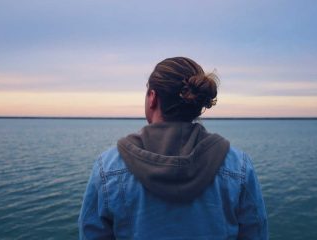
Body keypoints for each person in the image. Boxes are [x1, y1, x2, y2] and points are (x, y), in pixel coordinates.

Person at [78, 57, 268, 239]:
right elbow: (256, 233)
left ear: (152, 97)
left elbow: (92, 234)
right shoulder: (238, 165)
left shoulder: (109, 166)